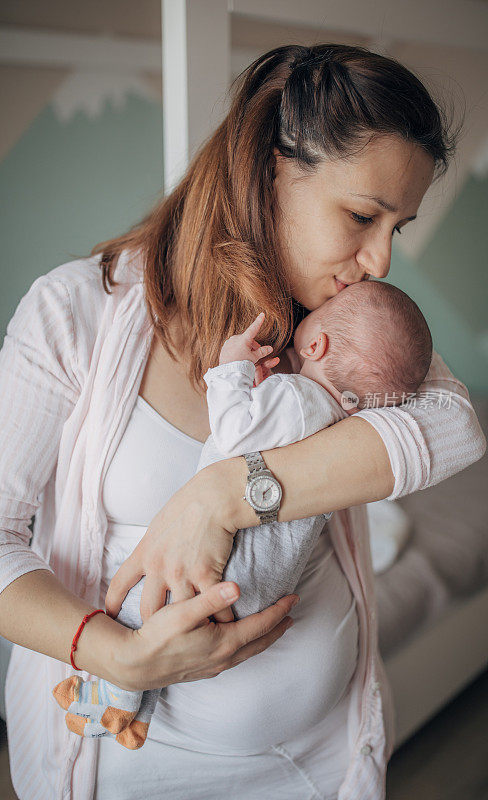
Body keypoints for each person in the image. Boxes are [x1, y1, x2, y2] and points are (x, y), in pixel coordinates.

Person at [0, 42, 485, 800]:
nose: (383, 259)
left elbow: (456, 428)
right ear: (267, 174)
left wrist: (223, 494)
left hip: (319, 769)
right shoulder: (76, 315)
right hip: (125, 770)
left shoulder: (335, 329)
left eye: (400, 225)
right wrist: (113, 658)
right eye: (363, 215)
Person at [51, 280, 433, 750]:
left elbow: (233, 434)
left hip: (230, 568)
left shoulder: (297, 397)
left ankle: (110, 700)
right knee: (170, 628)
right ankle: (135, 713)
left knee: (141, 617)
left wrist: (231, 368)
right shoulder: (341, 425)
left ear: (316, 344)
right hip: (266, 580)